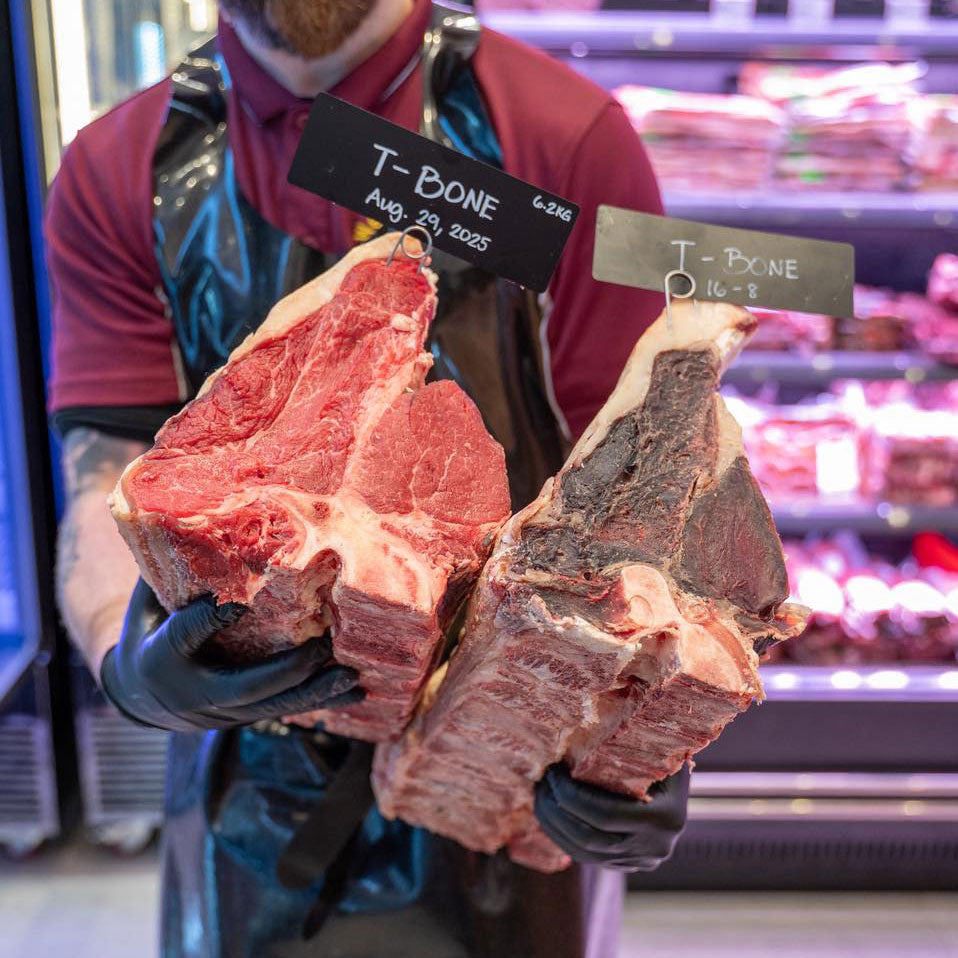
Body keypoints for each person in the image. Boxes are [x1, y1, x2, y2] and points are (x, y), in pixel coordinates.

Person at [46, 2, 689, 955]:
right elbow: (105, 466)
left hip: (504, 758)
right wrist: (126, 661)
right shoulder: (122, 168)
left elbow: (651, 476)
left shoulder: (559, 136)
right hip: (248, 758)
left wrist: (650, 722)